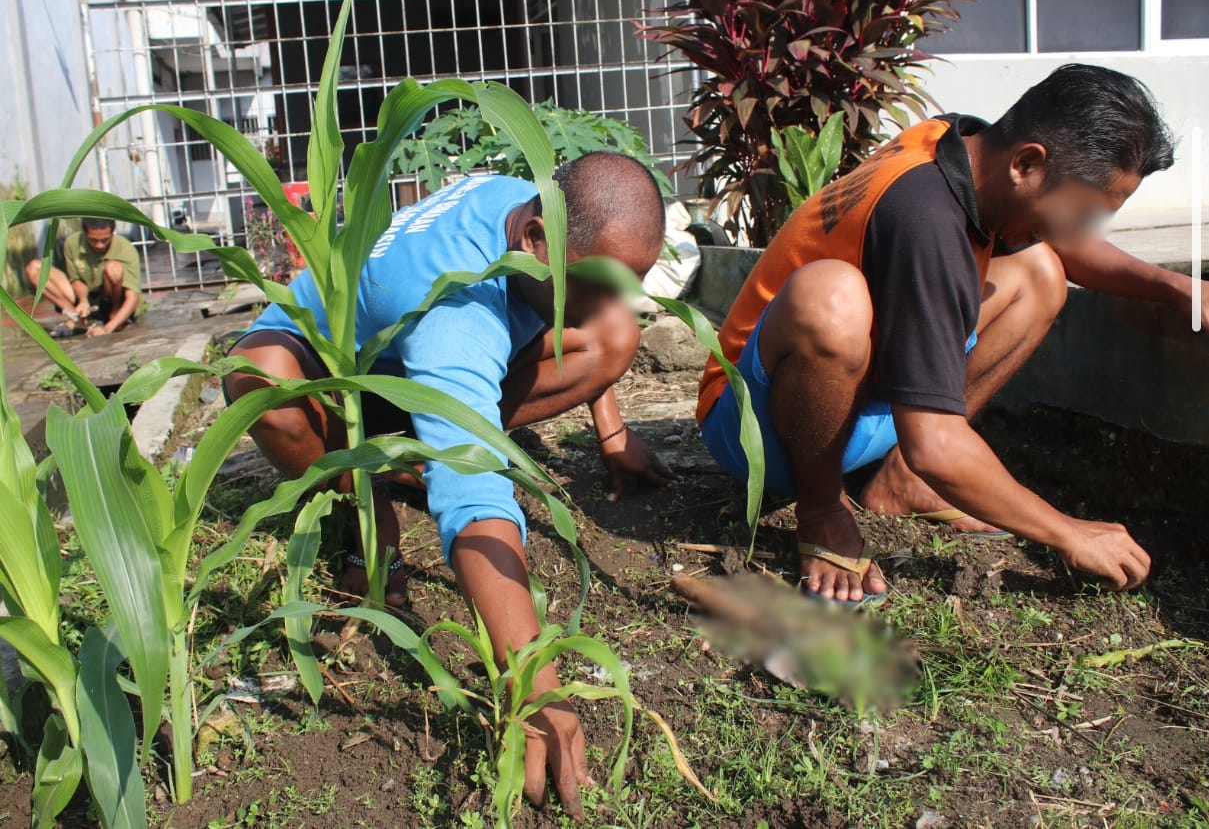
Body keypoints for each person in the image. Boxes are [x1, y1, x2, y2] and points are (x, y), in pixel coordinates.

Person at [222, 152, 674, 818]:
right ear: (534, 239)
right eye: (596, 281)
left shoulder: (538, 204)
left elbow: (599, 300)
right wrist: (534, 684)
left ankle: (428, 438)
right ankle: (367, 505)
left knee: (612, 332)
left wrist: (611, 430)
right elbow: (473, 498)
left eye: (627, 281)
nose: (612, 297)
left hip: (412, 367)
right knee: (259, 380)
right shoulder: (454, 311)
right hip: (328, 375)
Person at [698, 64, 1181, 606]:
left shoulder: (965, 150)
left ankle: (904, 479)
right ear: (1026, 163)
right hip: (758, 429)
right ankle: (822, 507)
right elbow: (934, 441)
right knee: (832, 296)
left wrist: (1180, 290)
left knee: (1041, 272)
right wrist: (1068, 532)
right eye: (1085, 211)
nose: (1080, 230)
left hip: (858, 409)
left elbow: (1065, 243)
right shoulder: (922, 210)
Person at [27, 218, 141, 338]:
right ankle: (76, 318)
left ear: (113, 230)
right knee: (34, 269)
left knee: (114, 269)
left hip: (110, 298)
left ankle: (115, 317)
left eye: (105, 240)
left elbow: (133, 297)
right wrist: (83, 300)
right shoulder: (72, 243)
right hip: (86, 294)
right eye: (93, 240)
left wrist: (107, 329)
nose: (99, 245)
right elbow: (75, 279)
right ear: (84, 232)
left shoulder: (125, 248)